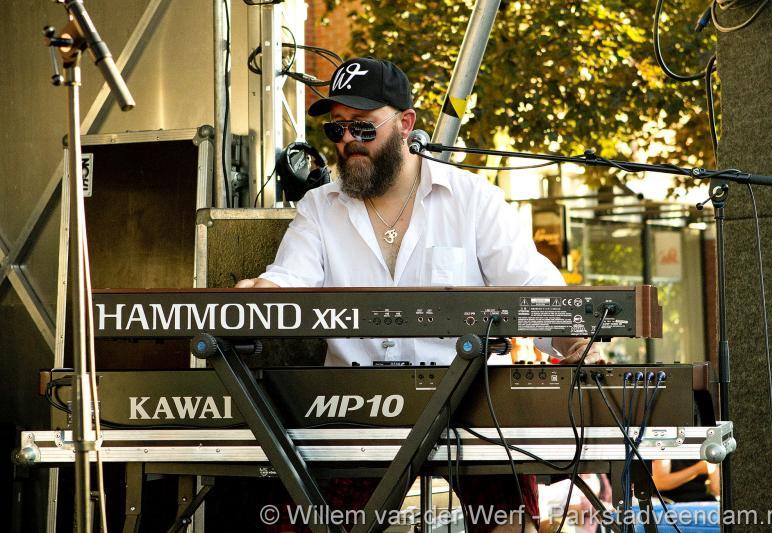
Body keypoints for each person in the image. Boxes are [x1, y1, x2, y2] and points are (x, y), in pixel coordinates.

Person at [237, 56, 602, 533]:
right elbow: (290, 279)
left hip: (469, 402)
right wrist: (261, 294)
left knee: (510, 521)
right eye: (336, 129)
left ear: (405, 124)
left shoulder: (473, 199)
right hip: (356, 412)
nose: (348, 141)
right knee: (299, 521)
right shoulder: (319, 208)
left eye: (363, 127)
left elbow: (533, 287)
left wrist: (578, 342)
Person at [651, 459, 720, 503]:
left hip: (702, 501)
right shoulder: (667, 447)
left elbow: (717, 490)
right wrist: (696, 469)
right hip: (670, 502)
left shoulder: (705, 447)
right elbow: (659, 484)